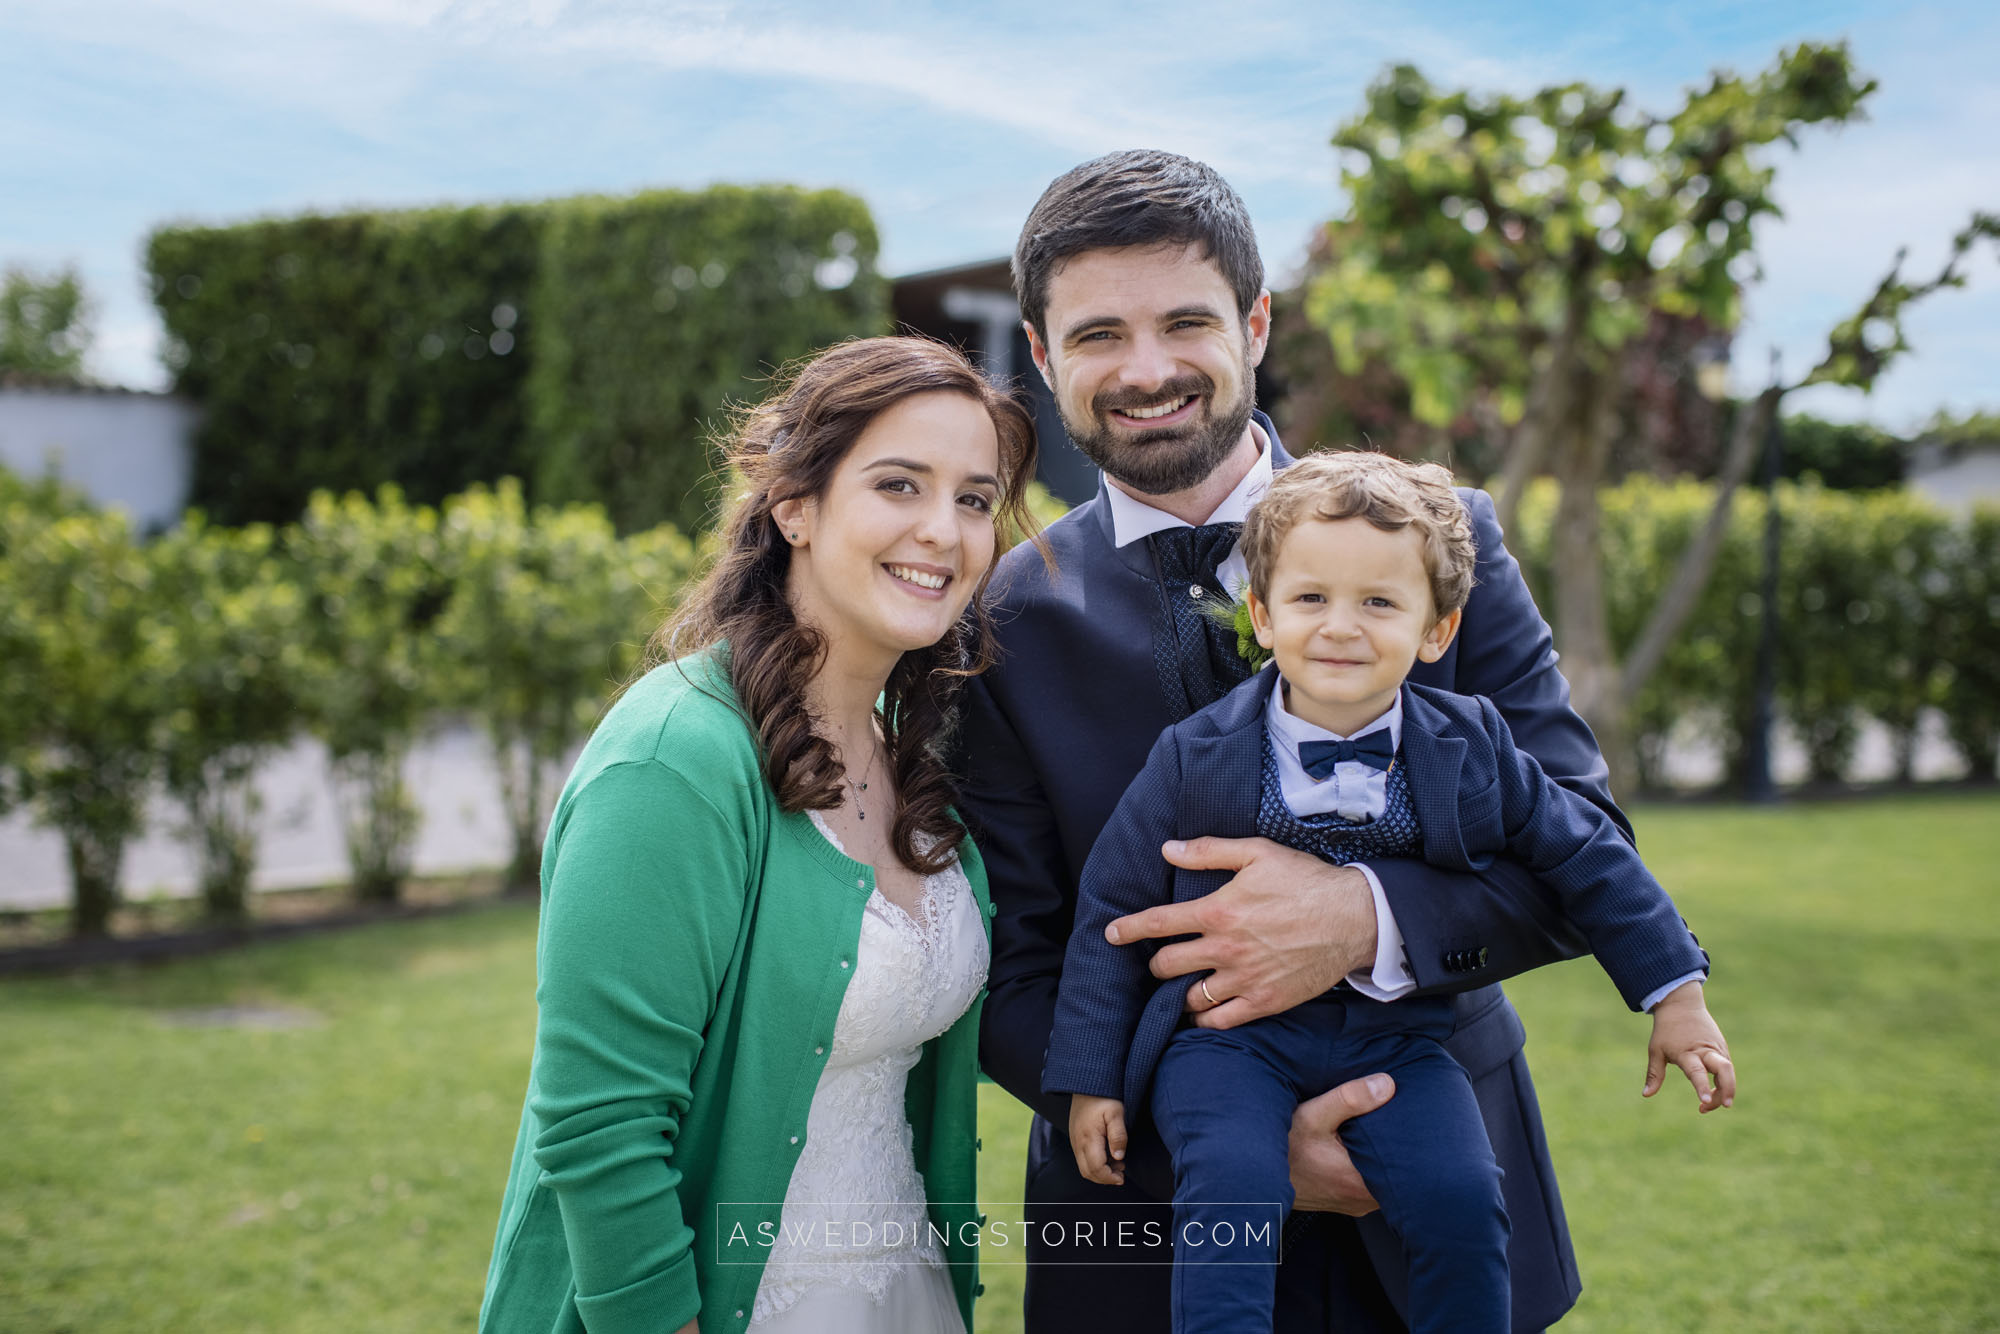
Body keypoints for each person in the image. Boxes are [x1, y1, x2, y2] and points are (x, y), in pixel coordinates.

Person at [957, 148, 1671, 1332]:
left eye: (1185, 320)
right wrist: (1215, 1134)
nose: (1146, 371)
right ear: (1040, 354)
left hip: (1439, 1185)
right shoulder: (995, 621)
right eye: (1095, 336)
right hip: (1145, 1227)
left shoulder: (1448, 541)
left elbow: (1581, 840)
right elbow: (1009, 963)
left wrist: (1365, 917)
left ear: (1256, 321)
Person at [1047, 451, 1735, 1333]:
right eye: (1310, 600)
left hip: (1402, 1042)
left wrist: (1674, 994)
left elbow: (1588, 854)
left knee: (1463, 1198)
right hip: (1227, 1044)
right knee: (1232, 1190)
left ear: (1437, 629)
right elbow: (1111, 909)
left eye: (1379, 603)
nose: (1341, 627)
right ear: (1262, 614)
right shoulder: (1195, 753)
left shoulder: (1473, 744)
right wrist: (1090, 1079)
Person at [478, 336, 1042, 1334]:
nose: (942, 531)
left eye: (971, 498)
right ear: (795, 506)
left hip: (904, 1289)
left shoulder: (909, 750)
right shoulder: (673, 759)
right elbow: (599, 1123)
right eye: (898, 484)